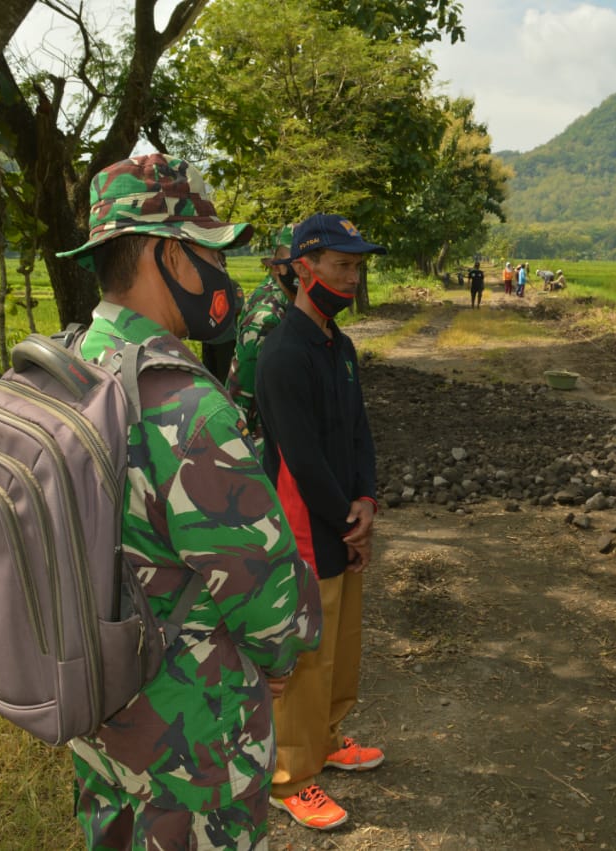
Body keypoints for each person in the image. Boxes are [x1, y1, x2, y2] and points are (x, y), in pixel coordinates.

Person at [53, 154, 321, 851]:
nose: (222, 276)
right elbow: (267, 600)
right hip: (194, 736)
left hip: (101, 705)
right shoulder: (184, 405)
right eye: (212, 254)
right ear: (169, 255)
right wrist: (283, 652)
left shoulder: (69, 366)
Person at [255, 214, 385, 831]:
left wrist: (367, 501)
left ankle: (328, 739)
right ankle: (289, 776)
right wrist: (343, 519)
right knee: (306, 653)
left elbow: (358, 432)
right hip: (306, 524)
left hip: (343, 517)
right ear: (305, 269)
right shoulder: (283, 353)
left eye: (358, 267)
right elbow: (301, 457)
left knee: (341, 642)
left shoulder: (341, 346)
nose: (352, 278)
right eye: (342, 265)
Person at [225, 224, 296, 449]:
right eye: (297, 263)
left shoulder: (291, 300)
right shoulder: (266, 318)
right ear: (277, 267)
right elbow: (241, 392)